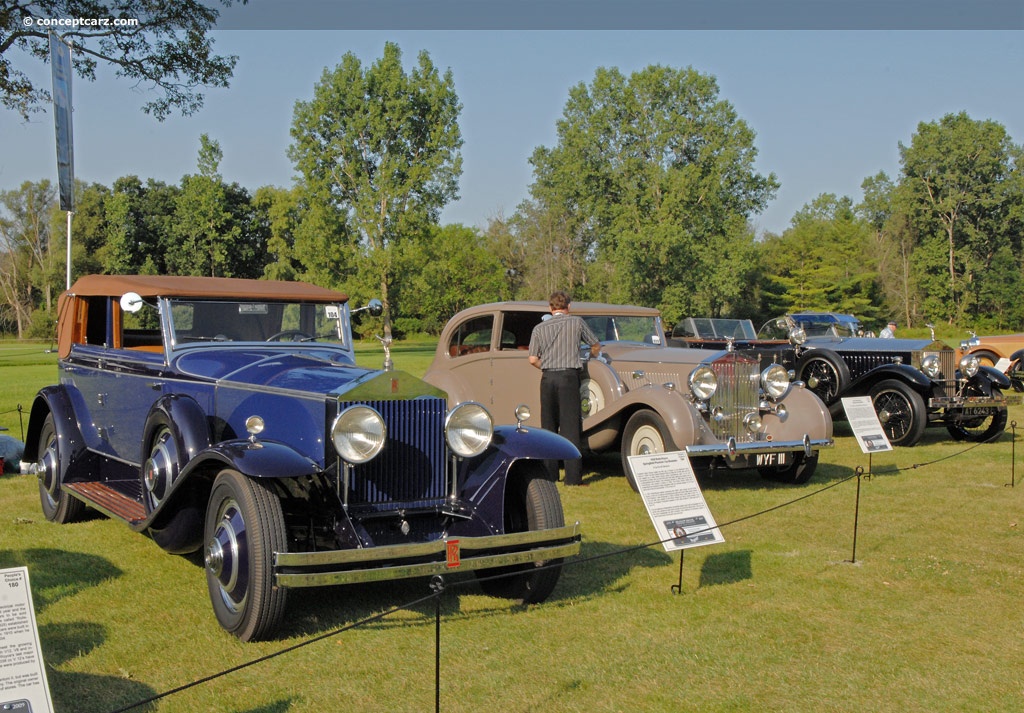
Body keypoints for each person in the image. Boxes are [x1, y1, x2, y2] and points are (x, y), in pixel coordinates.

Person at [528, 291, 600, 486]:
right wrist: (590, 358)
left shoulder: (539, 328)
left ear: (550, 309)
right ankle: (573, 477)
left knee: (549, 426)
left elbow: (532, 359)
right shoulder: (576, 322)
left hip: (548, 377)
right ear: (568, 307)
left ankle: (550, 474)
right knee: (570, 427)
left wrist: (546, 365)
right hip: (569, 377)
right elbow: (595, 345)